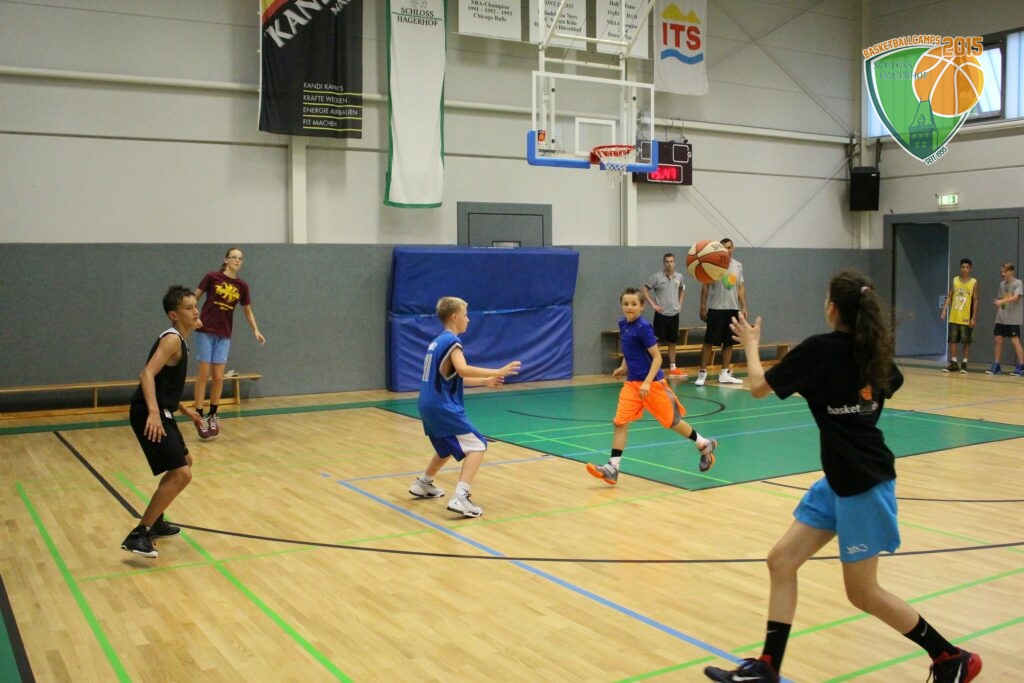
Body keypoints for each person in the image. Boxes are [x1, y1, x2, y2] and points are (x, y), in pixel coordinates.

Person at [705, 271, 982, 683]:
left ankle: (950, 657)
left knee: (863, 593)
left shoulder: (819, 351)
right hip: (840, 479)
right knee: (781, 561)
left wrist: (750, 343)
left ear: (832, 307)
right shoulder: (872, 351)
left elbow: (759, 386)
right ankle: (767, 667)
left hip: (862, 485)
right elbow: (889, 384)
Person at [586, 287, 717, 486]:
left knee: (673, 422)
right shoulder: (623, 324)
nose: (629, 307)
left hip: (653, 384)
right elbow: (629, 349)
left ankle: (703, 444)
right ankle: (613, 468)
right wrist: (623, 367)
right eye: (626, 304)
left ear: (642, 306)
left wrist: (647, 382)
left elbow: (657, 358)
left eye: (634, 304)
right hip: (632, 384)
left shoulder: (643, 327)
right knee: (620, 422)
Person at [408, 297, 522, 518]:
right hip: (441, 405)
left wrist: (485, 381)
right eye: (465, 315)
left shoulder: (436, 342)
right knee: (477, 445)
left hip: (427, 403)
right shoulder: (452, 341)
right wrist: (497, 371)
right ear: (454, 317)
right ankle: (460, 496)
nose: (468, 319)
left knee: (446, 447)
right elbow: (462, 369)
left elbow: (453, 376)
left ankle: (423, 483)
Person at [121, 286, 205, 558]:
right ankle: (139, 534)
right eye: (189, 308)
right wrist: (154, 413)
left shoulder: (181, 340)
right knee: (182, 473)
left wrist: (186, 411)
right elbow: (146, 374)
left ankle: (155, 521)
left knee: (186, 462)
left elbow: (163, 385)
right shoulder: (171, 340)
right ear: (173, 315)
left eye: (196, 306)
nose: (196, 311)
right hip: (147, 412)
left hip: (162, 410)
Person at [193, 247, 265, 439]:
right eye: (233, 257)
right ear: (226, 260)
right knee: (203, 375)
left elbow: (247, 311)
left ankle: (213, 415)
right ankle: (199, 417)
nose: (236, 260)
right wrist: (194, 318)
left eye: (240, 258)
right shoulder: (212, 277)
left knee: (218, 377)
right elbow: (194, 298)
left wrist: (256, 330)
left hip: (224, 334)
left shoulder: (242, 286)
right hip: (205, 331)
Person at [696, 238, 747, 386]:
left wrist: (743, 307)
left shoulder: (738, 266)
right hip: (716, 309)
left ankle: (724, 374)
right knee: (709, 342)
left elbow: (740, 287)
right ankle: (702, 373)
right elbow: (705, 286)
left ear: (733, 248)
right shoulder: (712, 264)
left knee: (729, 343)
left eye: (730, 247)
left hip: (732, 309)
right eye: (724, 247)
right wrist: (702, 306)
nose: (727, 250)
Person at [644, 252, 688, 378]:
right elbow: (644, 289)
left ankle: (673, 368)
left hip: (674, 314)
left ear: (675, 263)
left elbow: (682, 290)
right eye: (667, 262)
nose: (669, 264)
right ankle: (653, 368)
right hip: (661, 315)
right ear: (664, 263)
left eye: (671, 261)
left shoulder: (679, 277)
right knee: (657, 342)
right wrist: (653, 304)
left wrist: (680, 304)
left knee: (673, 342)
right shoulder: (657, 277)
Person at [985, 262, 1024, 376]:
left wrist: (1002, 301)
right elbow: (1000, 300)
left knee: (1015, 340)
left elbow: (1016, 298)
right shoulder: (1002, 284)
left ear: (1011, 271)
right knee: (998, 339)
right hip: (1002, 317)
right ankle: (996, 365)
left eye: (1005, 271)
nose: (1003, 274)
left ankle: (1022, 366)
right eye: (1001, 271)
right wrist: (998, 316)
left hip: (1013, 318)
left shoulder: (1018, 283)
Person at [940, 258, 977, 374]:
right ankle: (954, 362)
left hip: (966, 316)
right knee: (953, 340)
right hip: (954, 315)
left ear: (970, 269)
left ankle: (964, 363)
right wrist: (944, 310)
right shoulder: (955, 280)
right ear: (960, 268)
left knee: (966, 341)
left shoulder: (973, 282)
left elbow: (976, 300)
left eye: (967, 267)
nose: (965, 269)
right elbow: (949, 296)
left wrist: (973, 317)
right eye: (963, 267)